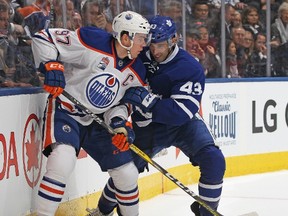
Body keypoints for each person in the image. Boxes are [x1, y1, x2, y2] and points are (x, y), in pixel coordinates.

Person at [95, 15, 226, 216]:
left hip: (184, 126)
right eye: (151, 43)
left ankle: (207, 214)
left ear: (173, 40)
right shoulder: (139, 55)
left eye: (160, 44)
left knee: (214, 160)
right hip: (147, 128)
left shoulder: (190, 67)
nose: (155, 50)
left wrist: (150, 103)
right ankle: (102, 211)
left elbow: (182, 112)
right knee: (125, 171)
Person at [31, 10, 151, 216]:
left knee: (127, 173)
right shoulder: (91, 40)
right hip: (65, 110)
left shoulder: (138, 70)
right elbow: (43, 37)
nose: (144, 44)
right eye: (141, 39)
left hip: (98, 121)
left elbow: (121, 104)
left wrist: (119, 123)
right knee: (62, 160)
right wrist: (52, 66)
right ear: (125, 37)